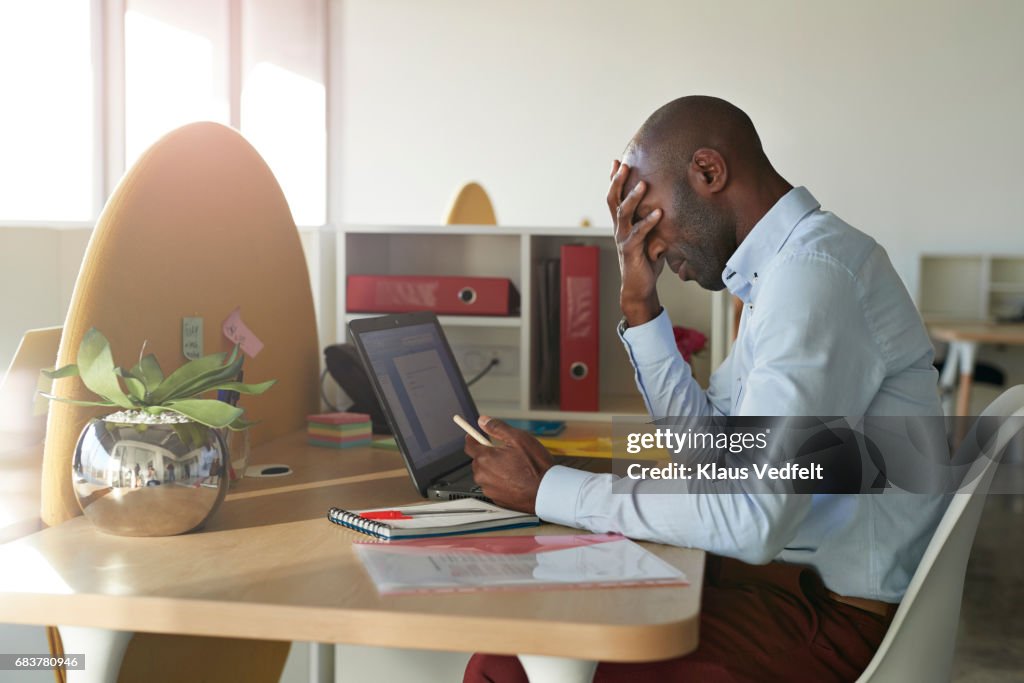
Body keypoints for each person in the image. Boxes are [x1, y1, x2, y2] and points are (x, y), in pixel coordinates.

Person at [463, 96, 945, 682]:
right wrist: (641, 307)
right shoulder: (781, 274)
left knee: (555, 665)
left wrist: (550, 491)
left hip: (823, 617)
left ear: (709, 172)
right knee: (503, 656)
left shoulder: (815, 279)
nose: (648, 244)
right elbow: (710, 455)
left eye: (647, 215)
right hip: (769, 586)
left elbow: (751, 517)